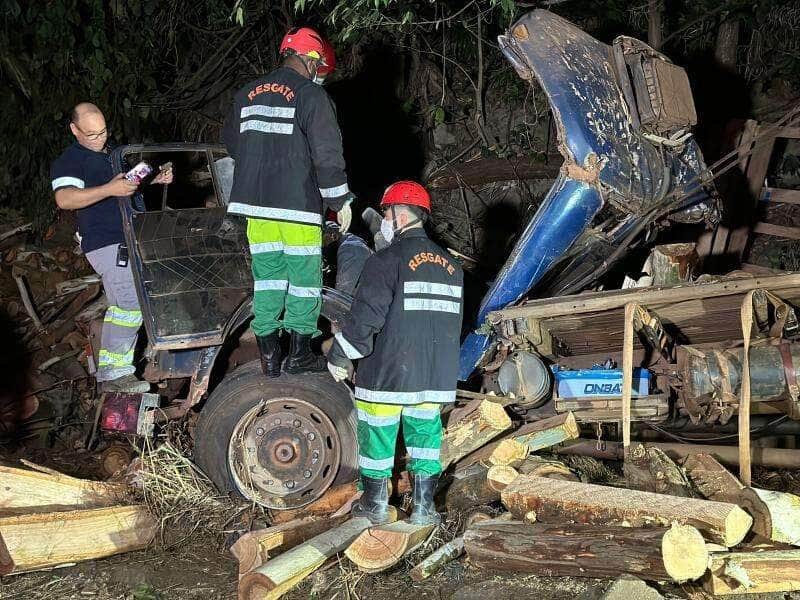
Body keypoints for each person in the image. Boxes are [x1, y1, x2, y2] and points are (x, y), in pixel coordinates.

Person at [326, 182, 464, 526]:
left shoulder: (385, 261)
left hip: (387, 374)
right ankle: (424, 509)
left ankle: (374, 506)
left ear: (399, 216)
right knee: (425, 441)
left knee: (377, 438)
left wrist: (340, 354)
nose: (384, 220)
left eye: (385, 213)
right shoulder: (453, 267)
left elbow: (365, 319)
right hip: (434, 378)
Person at [222, 27, 353, 378]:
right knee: (303, 279)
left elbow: (233, 144)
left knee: (268, 277)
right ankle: (299, 354)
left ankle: (269, 354)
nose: (318, 72)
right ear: (311, 60)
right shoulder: (311, 96)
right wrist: (339, 199)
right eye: (318, 65)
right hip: (297, 206)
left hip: (255, 207)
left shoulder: (246, 93)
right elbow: (327, 154)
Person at [50, 103, 172, 393]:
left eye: (103, 132)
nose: (100, 139)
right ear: (74, 130)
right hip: (107, 242)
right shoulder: (71, 159)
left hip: (135, 238)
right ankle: (114, 374)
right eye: (92, 135)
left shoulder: (113, 153)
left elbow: (128, 185)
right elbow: (65, 199)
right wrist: (109, 189)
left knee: (142, 301)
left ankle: (130, 363)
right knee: (129, 304)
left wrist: (155, 178)